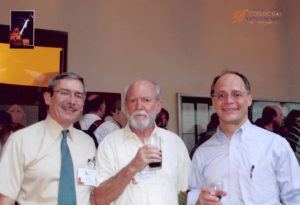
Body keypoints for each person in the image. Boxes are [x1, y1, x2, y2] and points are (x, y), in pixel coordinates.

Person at [188, 71, 300, 205]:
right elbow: (194, 192)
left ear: (249, 99)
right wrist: (199, 201)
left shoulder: (275, 145)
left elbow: (295, 197)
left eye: (237, 94)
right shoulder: (202, 153)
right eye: (221, 95)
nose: (229, 101)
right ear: (214, 101)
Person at [0, 72, 96, 205]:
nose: (72, 101)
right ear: (47, 98)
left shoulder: (88, 143)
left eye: (78, 96)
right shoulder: (20, 141)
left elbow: (89, 194)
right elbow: (5, 199)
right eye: (64, 93)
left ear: (83, 104)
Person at [94, 79, 191, 205]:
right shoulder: (109, 144)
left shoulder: (175, 143)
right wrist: (132, 167)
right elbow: (99, 199)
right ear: (126, 105)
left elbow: (188, 190)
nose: (139, 107)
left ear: (159, 105)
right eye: (133, 100)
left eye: (146, 100)